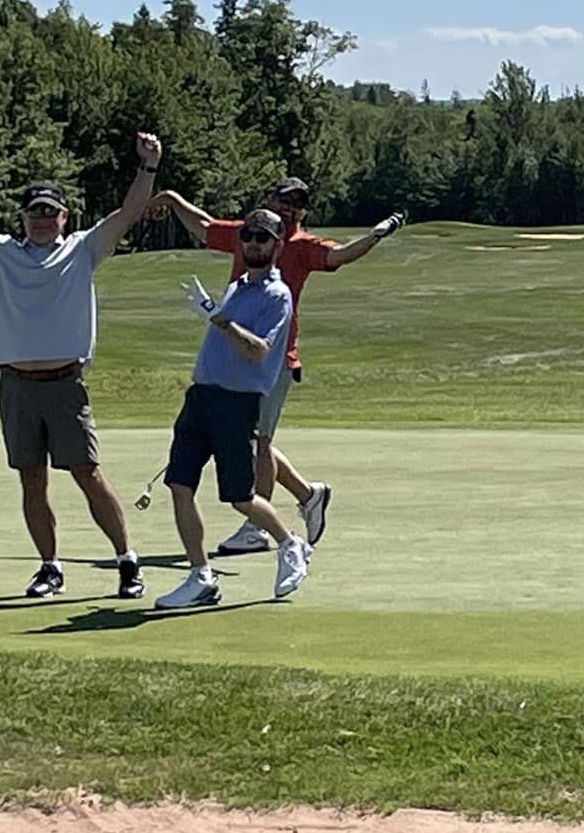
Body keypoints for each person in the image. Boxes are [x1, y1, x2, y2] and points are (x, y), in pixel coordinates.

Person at [0, 130, 162, 599]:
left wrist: (148, 166)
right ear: (24, 218)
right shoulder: (0, 253)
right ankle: (50, 568)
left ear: (64, 216)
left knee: (88, 473)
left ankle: (126, 561)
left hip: (65, 384)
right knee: (32, 479)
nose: (43, 220)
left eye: (51, 212)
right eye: (35, 213)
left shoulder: (83, 249)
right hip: (17, 386)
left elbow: (129, 212)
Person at [148, 177, 403, 556]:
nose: (289, 207)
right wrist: (171, 198)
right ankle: (308, 495)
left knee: (259, 442)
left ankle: (258, 527)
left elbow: (339, 256)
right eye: (283, 198)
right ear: (268, 199)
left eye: (297, 202)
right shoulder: (251, 232)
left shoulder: (300, 245)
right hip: (233, 353)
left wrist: (376, 235)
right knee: (253, 441)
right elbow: (203, 227)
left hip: (272, 359)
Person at [153, 207, 314, 608]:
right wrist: (217, 312)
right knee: (179, 484)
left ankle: (290, 544)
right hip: (200, 398)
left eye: (262, 238)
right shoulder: (237, 287)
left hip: (237, 403)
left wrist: (219, 319)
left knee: (240, 497)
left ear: (277, 246)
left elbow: (258, 351)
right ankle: (201, 576)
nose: (253, 244)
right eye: (248, 237)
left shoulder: (277, 296)